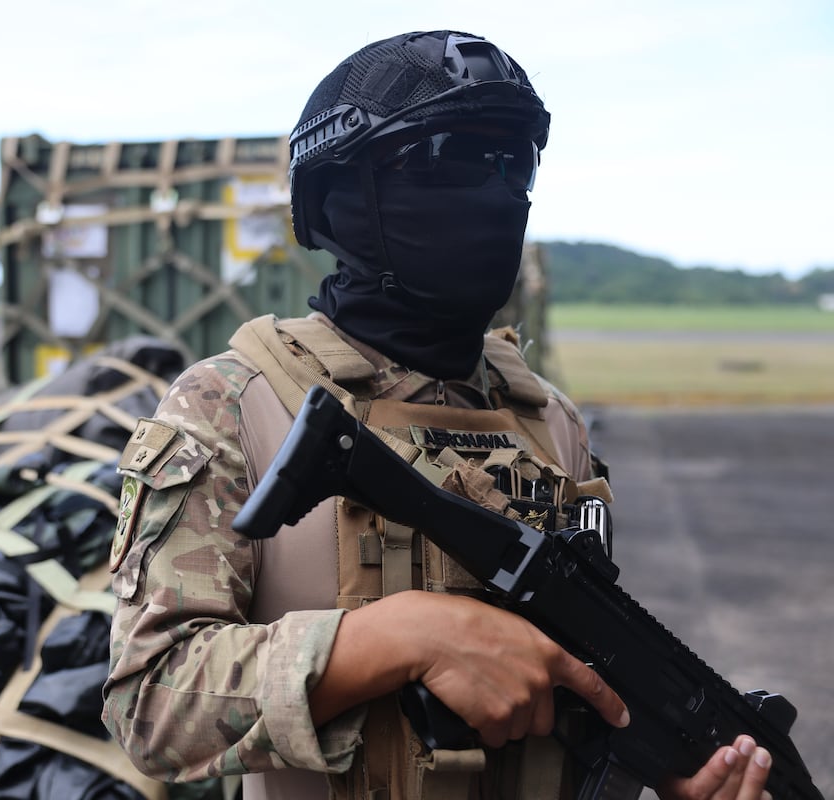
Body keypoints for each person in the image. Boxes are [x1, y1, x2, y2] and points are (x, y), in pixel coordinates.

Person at [102, 30, 772, 800]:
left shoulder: (549, 420)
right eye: (450, 156)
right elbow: (149, 704)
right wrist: (397, 641)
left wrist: (673, 773)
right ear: (338, 198)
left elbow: (583, 687)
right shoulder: (237, 404)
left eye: (511, 161)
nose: (493, 191)